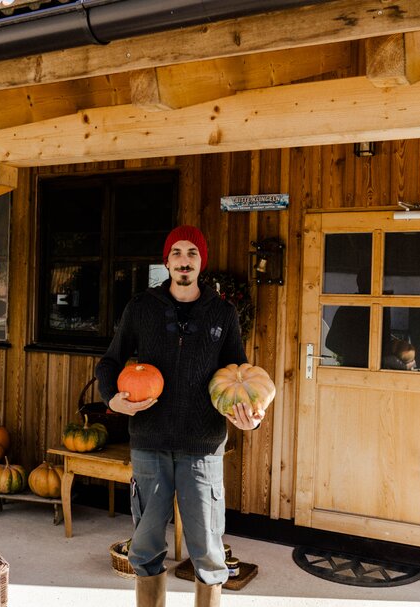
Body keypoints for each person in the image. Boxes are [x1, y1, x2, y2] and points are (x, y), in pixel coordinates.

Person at [95, 225, 264, 607]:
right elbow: (110, 363)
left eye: (191, 253)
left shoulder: (222, 312)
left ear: (201, 261)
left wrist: (250, 417)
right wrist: (114, 400)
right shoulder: (142, 308)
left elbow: (241, 375)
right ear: (166, 260)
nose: (184, 260)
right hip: (150, 443)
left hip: (202, 446)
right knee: (146, 545)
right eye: (176, 252)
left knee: (207, 548)